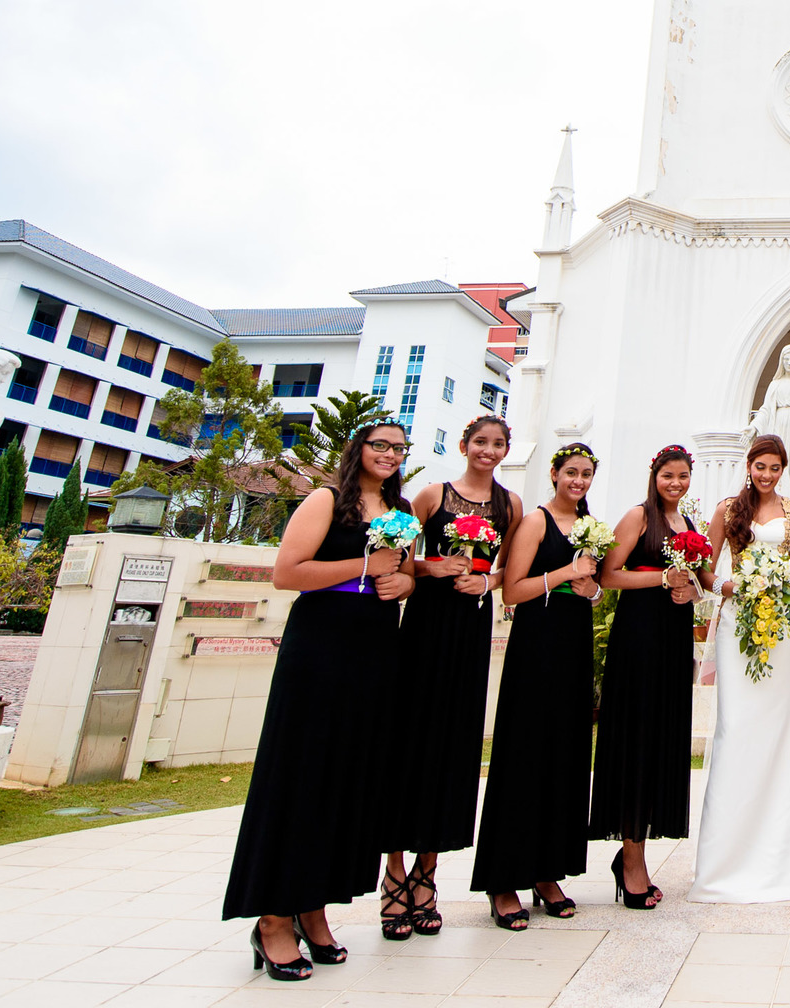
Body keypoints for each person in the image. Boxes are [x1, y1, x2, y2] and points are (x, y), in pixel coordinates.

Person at [223, 425, 417, 980]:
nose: (389, 455)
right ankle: (273, 919)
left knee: (346, 778)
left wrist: (403, 584)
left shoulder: (400, 511)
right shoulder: (326, 499)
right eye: (380, 445)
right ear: (358, 450)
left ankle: (314, 907)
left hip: (374, 649)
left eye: (399, 449)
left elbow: (400, 572)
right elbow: (289, 573)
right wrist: (364, 568)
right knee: (302, 775)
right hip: (321, 647)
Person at [383, 413, 518, 938]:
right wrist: (429, 568)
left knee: (452, 747)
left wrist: (486, 585)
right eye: (480, 442)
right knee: (411, 744)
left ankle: (427, 875)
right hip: (425, 626)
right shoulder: (430, 496)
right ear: (464, 444)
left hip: (470, 627)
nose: (488, 450)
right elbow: (396, 557)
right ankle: (393, 873)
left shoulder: (509, 505)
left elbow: (510, 568)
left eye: (497, 443)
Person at [470, 443, 603, 929]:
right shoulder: (535, 521)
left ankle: (548, 872)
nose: (579, 481)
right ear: (554, 473)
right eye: (572, 472)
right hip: (535, 649)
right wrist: (566, 573)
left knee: (564, 757)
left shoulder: (591, 526)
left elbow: (591, 587)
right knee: (524, 754)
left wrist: (590, 587)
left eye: (586, 474)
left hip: (573, 646)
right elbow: (513, 590)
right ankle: (503, 880)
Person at [689, 435, 790, 903]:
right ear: (749, 465)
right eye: (760, 466)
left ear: (783, 469)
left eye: (774, 468)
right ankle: (728, 857)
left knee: (781, 733)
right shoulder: (728, 510)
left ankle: (781, 855)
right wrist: (729, 587)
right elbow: (703, 568)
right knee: (736, 729)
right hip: (737, 623)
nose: (766, 474)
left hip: (782, 627)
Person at [589, 445, 701, 908]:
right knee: (636, 739)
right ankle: (631, 860)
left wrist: (689, 588)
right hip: (638, 642)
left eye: (683, 476)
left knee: (660, 738)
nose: (675, 483)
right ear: (654, 476)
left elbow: (692, 579)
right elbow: (608, 575)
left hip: (674, 642)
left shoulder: (688, 525)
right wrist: (661, 581)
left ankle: (636, 852)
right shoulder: (638, 517)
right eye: (668, 476)